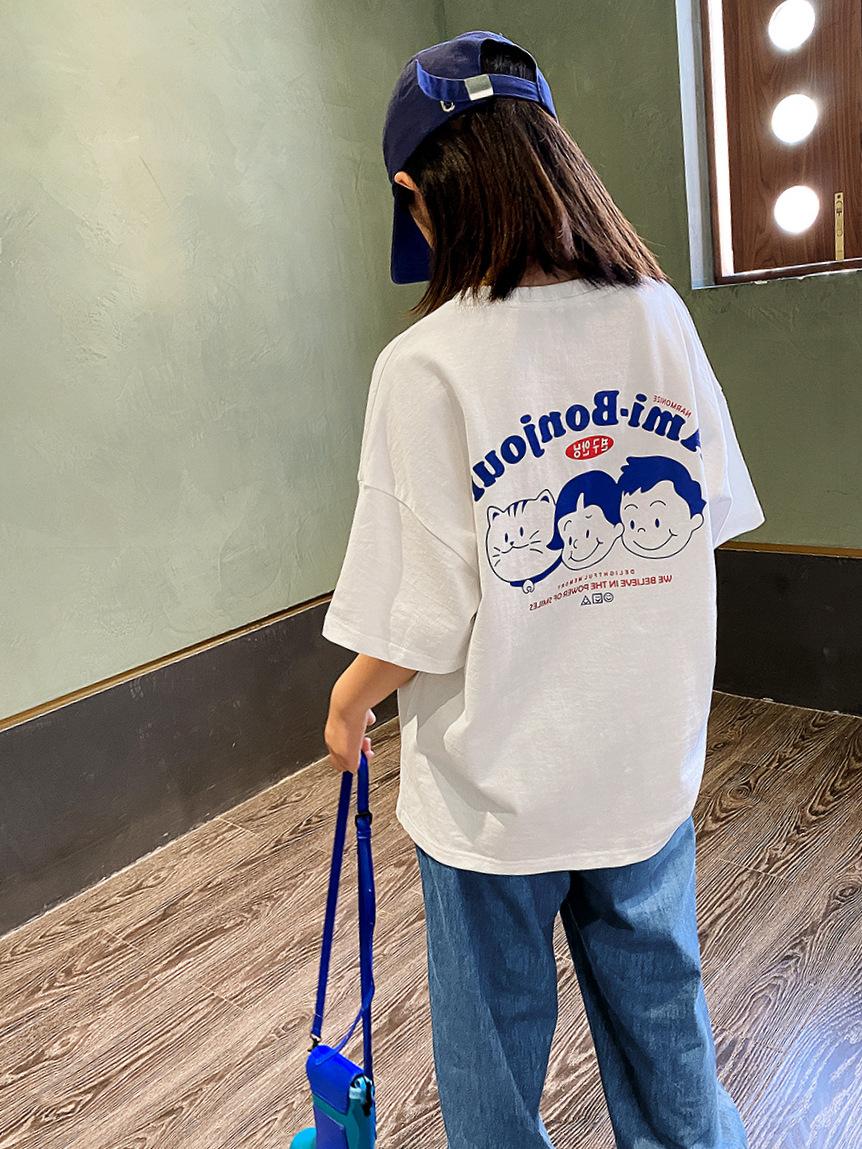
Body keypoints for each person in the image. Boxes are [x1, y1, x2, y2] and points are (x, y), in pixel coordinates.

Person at [321, 29, 762, 1149]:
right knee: (666, 1033)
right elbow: (701, 520)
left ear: (418, 194)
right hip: (640, 770)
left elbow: (422, 617)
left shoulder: (425, 365)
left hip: (493, 796)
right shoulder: (659, 316)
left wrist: (349, 700)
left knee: (492, 1054)